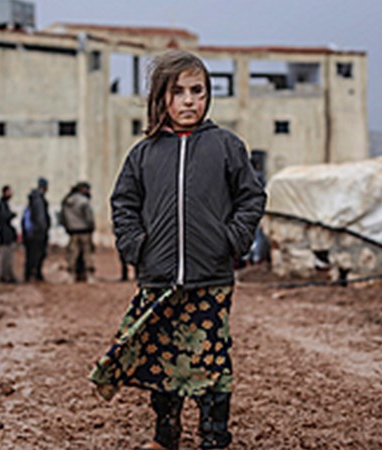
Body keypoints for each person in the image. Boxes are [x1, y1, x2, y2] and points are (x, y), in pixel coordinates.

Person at [89, 50, 266, 450]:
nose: (189, 101)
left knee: (211, 361)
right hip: (159, 278)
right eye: (179, 92)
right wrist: (136, 246)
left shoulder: (226, 146)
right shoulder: (144, 153)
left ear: (208, 95)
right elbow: (124, 204)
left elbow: (251, 198)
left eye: (197, 91)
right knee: (163, 359)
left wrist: (232, 240)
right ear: (161, 98)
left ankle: (214, 438)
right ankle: (165, 436)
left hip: (210, 278)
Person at [59, 182, 96, 283]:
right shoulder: (84, 201)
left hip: (72, 231)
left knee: (72, 254)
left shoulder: (67, 201)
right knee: (87, 253)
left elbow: (62, 217)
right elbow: (89, 217)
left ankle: (71, 275)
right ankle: (89, 275)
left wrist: (67, 227)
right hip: (85, 231)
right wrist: (91, 227)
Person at [23, 177, 50, 282]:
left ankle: (29, 274)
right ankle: (35, 274)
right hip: (37, 233)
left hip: (31, 233)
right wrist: (43, 230)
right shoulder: (39, 200)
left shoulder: (33, 199)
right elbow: (40, 218)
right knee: (37, 254)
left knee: (31, 254)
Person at [0, 185, 18, 283]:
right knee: (6, 256)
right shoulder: (2, 204)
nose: (11, 194)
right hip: (5, 235)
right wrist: (12, 214)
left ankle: (6, 275)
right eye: (9, 192)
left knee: (7, 256)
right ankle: (6, 275)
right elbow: (3, 217)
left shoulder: (4, 204)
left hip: (7, 234)